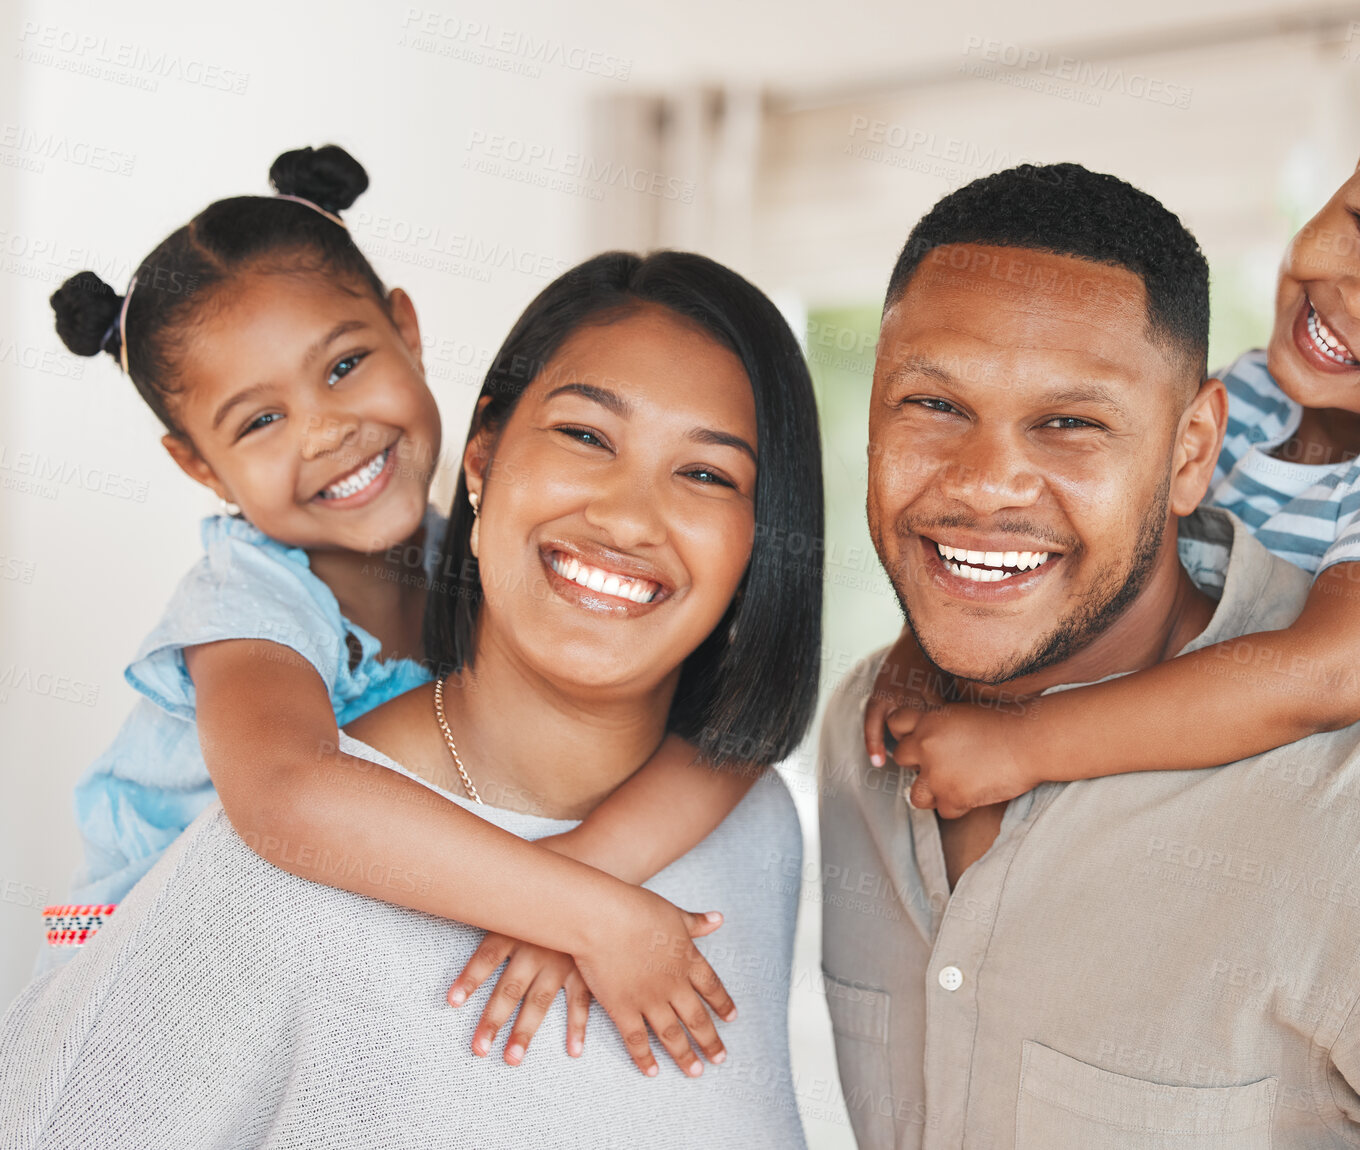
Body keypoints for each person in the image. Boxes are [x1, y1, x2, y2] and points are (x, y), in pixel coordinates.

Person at [818, 163, 1360, 1148]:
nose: (985, 485)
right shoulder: (860, 730)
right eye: (934, 405)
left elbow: (1329, 675)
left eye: (1071, 422)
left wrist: (1024, 740)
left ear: (1192, 448)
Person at [2, 250, 821, 1148]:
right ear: (484, 461)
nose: (626, 518)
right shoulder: (254, 657)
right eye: (585, 435)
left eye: (707, 474)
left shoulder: (758, 825)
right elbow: (284, 795)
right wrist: (592, 910)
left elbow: (736, 745)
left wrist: (587, 869)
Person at [863, 56, 1360, 944]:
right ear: (1350, 173)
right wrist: (926, 650)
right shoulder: (1244, 397)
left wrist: (1024, 745)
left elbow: (1325, 676)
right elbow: (1076, 528)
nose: (1357, 301)